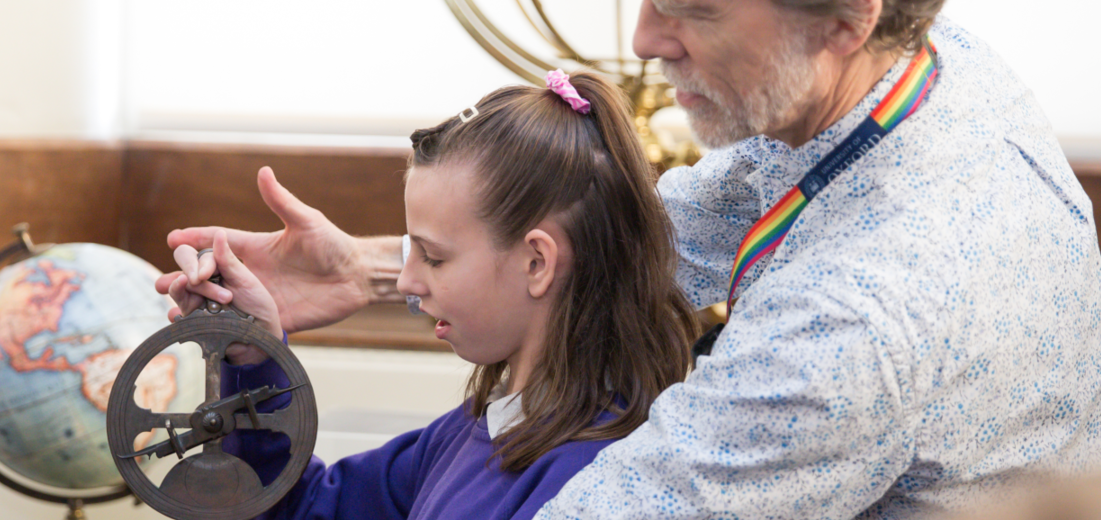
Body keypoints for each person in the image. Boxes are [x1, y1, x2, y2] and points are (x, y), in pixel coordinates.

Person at [162, 0, 1101, 517]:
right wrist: (384, 269)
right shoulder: (910, 69)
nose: (641, 37)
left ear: (846, 17)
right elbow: (649, 233)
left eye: (693, 6)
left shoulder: (853, 325)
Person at [161, 71, 704, 519]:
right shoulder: (469, 432)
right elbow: (299, 510)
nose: (403, 282)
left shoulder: (592, 484)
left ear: (537, 263)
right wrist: (255, 356)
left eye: (434, 257)